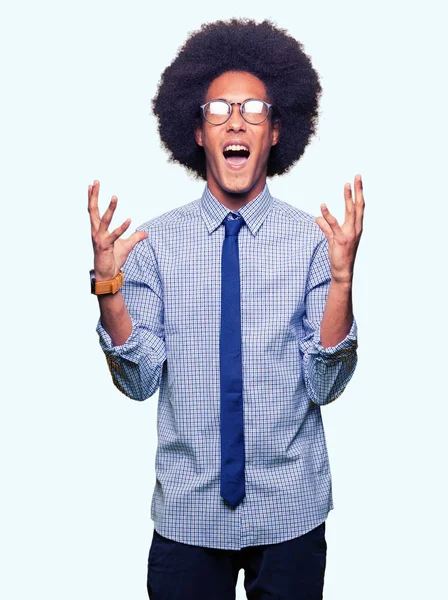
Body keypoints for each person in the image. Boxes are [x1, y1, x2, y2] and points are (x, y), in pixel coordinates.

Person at [88, 18, 364, 600]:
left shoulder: (314, 242)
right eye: (218, 109)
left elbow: (326, 380)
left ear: (276, 130)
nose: (236, 120)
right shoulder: (151, 246)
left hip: (291, 510)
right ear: (196, 130)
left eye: (253, 109)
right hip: (188, 517)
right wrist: (109, 285)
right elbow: (138, 381)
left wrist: (342, 278)